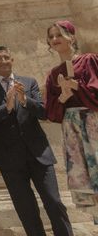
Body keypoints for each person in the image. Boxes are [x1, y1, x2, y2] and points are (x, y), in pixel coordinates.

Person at [0, 45, 72, 235]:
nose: (3, 61)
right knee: (26, 209)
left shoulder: (29, 83)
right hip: (10, 160)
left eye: (6, 57)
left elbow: (44, 112)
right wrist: (7, 106)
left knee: (54, 201)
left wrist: (25, 100)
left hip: (39, 154)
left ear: (12, 60)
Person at [44, 20, 98, 208]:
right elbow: (51, 113)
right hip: (71, 128)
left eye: (58, 34)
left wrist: (75, 86)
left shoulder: (89, 60)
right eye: (51, 37)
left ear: (71, 37)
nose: (54, 39)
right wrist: (63, 97)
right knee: (85, 179)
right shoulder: (53, 74)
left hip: (92, 123)